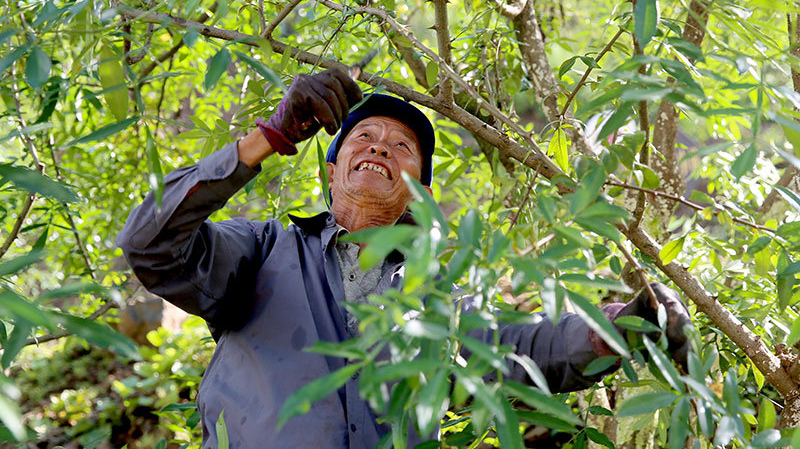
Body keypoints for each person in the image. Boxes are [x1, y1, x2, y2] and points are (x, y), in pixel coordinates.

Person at [117, 67, 691, 448]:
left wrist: (613, 329)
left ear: (421, 196)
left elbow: (515, 348)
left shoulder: (437, 297)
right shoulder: (263, 249)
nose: (378, 149)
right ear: (330, 171)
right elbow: (151, 244)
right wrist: (269, 135)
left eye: (401, 148)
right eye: (362, 138)